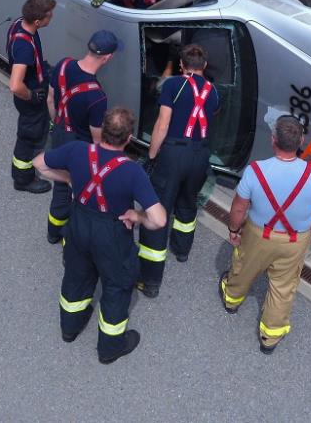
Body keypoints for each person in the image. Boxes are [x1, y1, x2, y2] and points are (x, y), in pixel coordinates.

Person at [34, 106, 166, 365]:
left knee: (76, 274)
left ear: (103, 131)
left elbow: (39, 164)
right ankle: (109, 347)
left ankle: (69, 327)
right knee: (116, 286)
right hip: (112, 232)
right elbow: (159, 219)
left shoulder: (78, 150)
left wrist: (69, 180)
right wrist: (137, 217)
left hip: (80, 222)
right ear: (128, 139)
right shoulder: (132, 172)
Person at [219, 116, 311, 353]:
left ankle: (232, 299)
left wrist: (233, 229)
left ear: (273, 141)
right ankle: (270, 336)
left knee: (244, 266)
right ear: (301, 140)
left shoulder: (256, 171)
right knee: (283, 286)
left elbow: (239, 208)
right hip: (295, 239)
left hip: (259, 235)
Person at [136, 43, 219, 297]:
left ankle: (150, 279)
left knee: (159, 208)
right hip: (200, 153)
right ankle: (182, 249)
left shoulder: (173, 85)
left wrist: (151, 156)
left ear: (181, 65)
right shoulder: (214, 92)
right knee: (187, 202)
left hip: (174, 152)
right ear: (204, 66)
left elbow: (163, 123)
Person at [44, 30, 117, 244]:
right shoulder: (97, 96)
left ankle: (53, 232)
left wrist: (59, 124)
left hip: (58, 134)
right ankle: (70, 239)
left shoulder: (63, 65)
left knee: (60, 187)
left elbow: (50, 99)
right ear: (108, 57)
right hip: (79, 146)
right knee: (80, 192)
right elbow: (96, 136)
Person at [7, 0, 56, 194]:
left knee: (35, 131)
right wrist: (32, 96)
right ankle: (23, 179)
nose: (51, 18)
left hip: (35, 87)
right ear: (37, 21)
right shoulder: (24, 47)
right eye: (49, 16)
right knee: (28, 138)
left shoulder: (20, 24)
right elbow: (15, 85)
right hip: (30, 99)